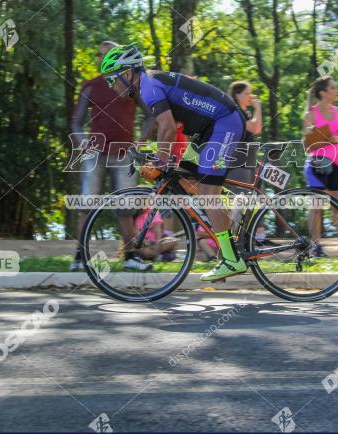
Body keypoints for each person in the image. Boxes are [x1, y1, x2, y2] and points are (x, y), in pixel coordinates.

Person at [101, 43, 247, 281]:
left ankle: (231, 259)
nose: (111, 85)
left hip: (224, 122)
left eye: (111, 79)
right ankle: (232, 209)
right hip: (210, 128)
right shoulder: (149, 83)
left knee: (209, 192)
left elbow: (168, 129)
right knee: (188, 179)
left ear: (127, 73)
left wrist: (159, 160)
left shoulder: (148, 86)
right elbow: (164, 127)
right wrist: (155, 155)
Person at [70, 40, 153, 272]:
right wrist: (82, 142)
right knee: (86, 206)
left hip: (124, 154)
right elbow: (76, 122)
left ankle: (131, 257)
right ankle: (80, 258)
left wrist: (140, 142)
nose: (100, 58)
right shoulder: (91, 86)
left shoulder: (130, 85)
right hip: (95, 155)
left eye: (105, 54)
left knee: (126, 208)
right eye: (98, 54)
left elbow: (150, 116)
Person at [302, 76, 338, 257]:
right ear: (323, 93)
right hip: (317, 165)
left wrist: (336, 139)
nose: (336, 91)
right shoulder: (310, 115)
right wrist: (315, 137)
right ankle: (316, 246)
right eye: (333, 88)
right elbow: (306, 146)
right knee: (316, 207)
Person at [226, 81, 262, 185]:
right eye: (246, 93)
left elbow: (257, 129)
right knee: (240, 197)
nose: (250, 97)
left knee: (255, 194)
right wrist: (258, 108)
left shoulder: (245, 113)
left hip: (248, 161)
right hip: (238, 163)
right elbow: (256, 128)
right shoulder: (235, 111)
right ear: (237, 95)